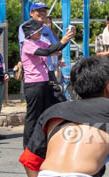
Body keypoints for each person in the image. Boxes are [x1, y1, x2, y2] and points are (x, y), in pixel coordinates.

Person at [20, 20, 74, 153]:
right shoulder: (27, 44)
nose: (40, 32)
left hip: (45, 82)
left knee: (46, 111)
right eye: (37, 30)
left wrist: (67, 38)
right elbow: (46, 52)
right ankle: (27, 146)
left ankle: (42, 142)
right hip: (33, 84)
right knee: (33, 115)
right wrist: (61, 41)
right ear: (31, 33)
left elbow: (55, 48)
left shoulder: (39, 42)